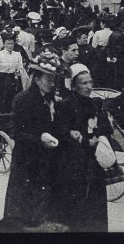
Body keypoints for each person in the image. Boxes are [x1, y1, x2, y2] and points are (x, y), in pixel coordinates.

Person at [0, 53, 64, 232]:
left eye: (54, 80)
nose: (52, 83)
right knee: (23, 207)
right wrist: (40, 139)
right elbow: (17, 133)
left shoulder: (51, 100)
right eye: (48, 79)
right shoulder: (23, 100)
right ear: (37, 79)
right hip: (27, 160)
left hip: (46, 158)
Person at [49, 64, 111, 232]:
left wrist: (100, 136)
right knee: (75, 204)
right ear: (74, 85)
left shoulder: (94, 104)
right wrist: (82, 140)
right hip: (73, 162)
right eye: (84, 83)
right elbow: (61, 133)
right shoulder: (66, 105)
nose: (88, 87)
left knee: (94, 203)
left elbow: (104, 127)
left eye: (90, 82)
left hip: (93, 160)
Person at [0, 30, 29, 123]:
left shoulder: (17, 55)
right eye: (7, 43)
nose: (10, 46)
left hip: (13, 81)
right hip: (0, 82)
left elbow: (21, 68)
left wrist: (18, 71)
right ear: (4, 43)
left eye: (11, 43)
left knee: (12, 104)